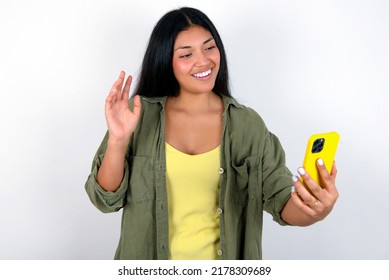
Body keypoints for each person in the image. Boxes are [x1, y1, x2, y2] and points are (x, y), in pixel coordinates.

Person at [84, 7, 339, 260]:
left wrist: (315, 208)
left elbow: (282, 202)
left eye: (209, 47)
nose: (204, 61)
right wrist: (118, 140)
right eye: (186, 54)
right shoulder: (138, 115)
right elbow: (105, 200)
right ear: (165, 60)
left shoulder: (247, 125)